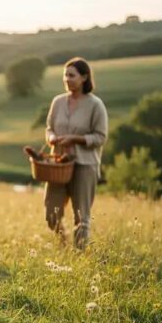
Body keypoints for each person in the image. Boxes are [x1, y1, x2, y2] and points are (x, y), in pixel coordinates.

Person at [44, 57, 108, 249]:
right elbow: (49, 128)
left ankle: (80, 255)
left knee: (81, 217)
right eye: (65, 75)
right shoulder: (57, 102)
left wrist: (75, 139)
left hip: (84, 165)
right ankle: (62, 245)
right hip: (59, 164)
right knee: (51, 213)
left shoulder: (95, 105)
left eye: (72, 75)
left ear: (84, 77)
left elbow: (100, 137)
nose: (67, 79)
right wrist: (52, 137)